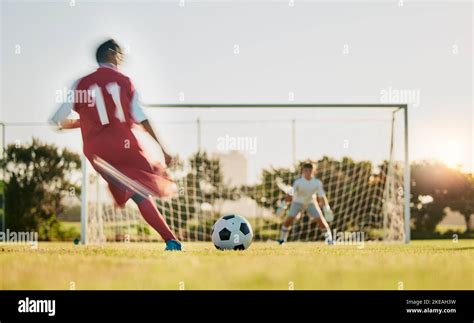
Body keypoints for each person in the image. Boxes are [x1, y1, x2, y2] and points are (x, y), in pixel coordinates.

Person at [50, 39, 182, 251]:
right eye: (120, 55)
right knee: (140, 192)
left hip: (98, 153)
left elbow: (56, 119)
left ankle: (172, 240)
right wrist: (162, 149)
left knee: (136, 192)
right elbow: (141, 117)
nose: (122, 59)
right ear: (111, 54)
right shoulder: (125, 81)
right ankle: (171, 241)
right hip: (126, 147)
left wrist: (77, 123)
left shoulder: (80, 83)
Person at [278, 163, 334, 245]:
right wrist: (284, 205)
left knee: (321, 220)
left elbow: (322, 196)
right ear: (302, 171)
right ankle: (282, 240)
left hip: (311, 203)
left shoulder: (317, 182)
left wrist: (327, 208)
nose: (308, 172)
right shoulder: (298, 182)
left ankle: (329, 239)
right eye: (306, 170)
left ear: (313, 171)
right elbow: (290, 194)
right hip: (297, 202)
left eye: (310, 170)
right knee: (289, 220)